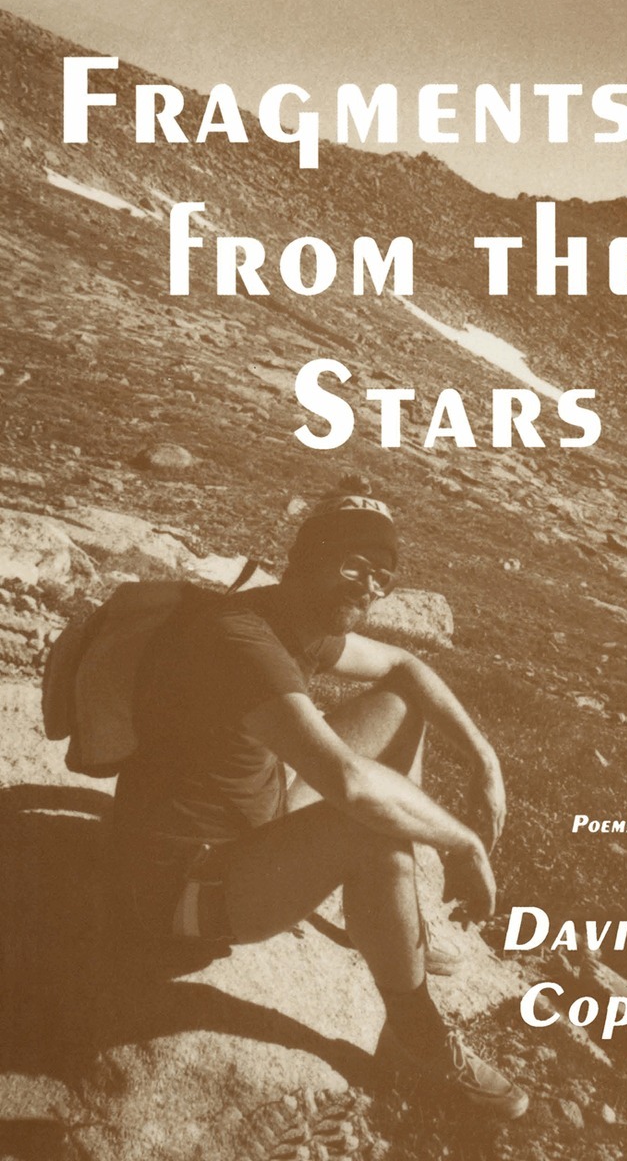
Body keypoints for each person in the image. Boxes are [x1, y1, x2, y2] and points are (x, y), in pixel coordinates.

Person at [113, 478, 529, 1120]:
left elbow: (405, 668)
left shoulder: (292, 619)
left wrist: (485, 759)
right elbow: (351, 785)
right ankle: (413, 1034)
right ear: (307, 558)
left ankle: (389, 916)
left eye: (383, 577)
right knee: (369, 826)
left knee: (400, 706)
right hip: (184, 887)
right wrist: (463, 840)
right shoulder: (241, 637)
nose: (368, 587)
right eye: (354, 566)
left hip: (251, 824)